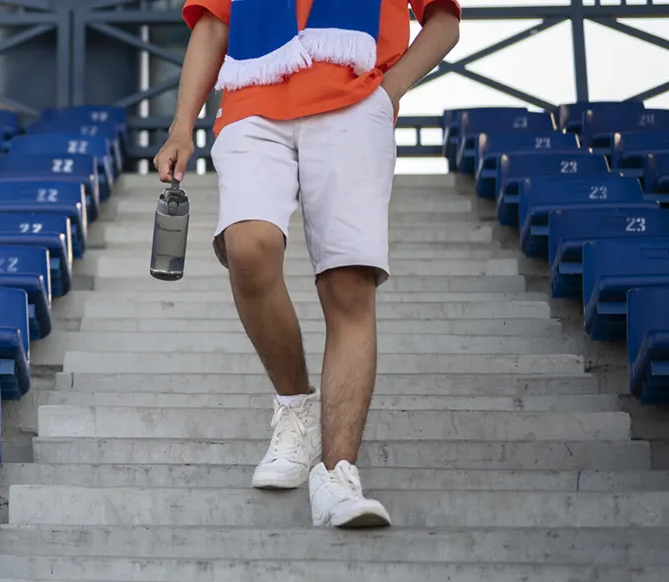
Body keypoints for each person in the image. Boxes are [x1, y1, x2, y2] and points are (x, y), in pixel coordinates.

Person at [152, 0, 460, 528]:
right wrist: (183, 124)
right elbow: (212, 24)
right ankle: (295, 408)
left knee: (347, 286)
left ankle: (338, 475)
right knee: (248, 248)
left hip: (355, 100)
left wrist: (389, 91)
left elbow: (444, 21)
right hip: (252, 101)